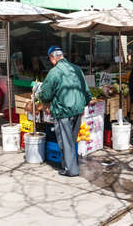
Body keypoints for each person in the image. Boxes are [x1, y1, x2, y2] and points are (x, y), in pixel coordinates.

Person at [38, 46, 92, 177]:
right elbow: (86, 91)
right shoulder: (77, 69)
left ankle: (71, 170)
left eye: (50, 59)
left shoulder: (54, 72)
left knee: (65, 141)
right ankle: (69, 164)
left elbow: (45, 94)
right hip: (78, 109)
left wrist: (44, 100)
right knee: (71, 140)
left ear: (52, 58)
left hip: (64, 110)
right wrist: (83, 105)